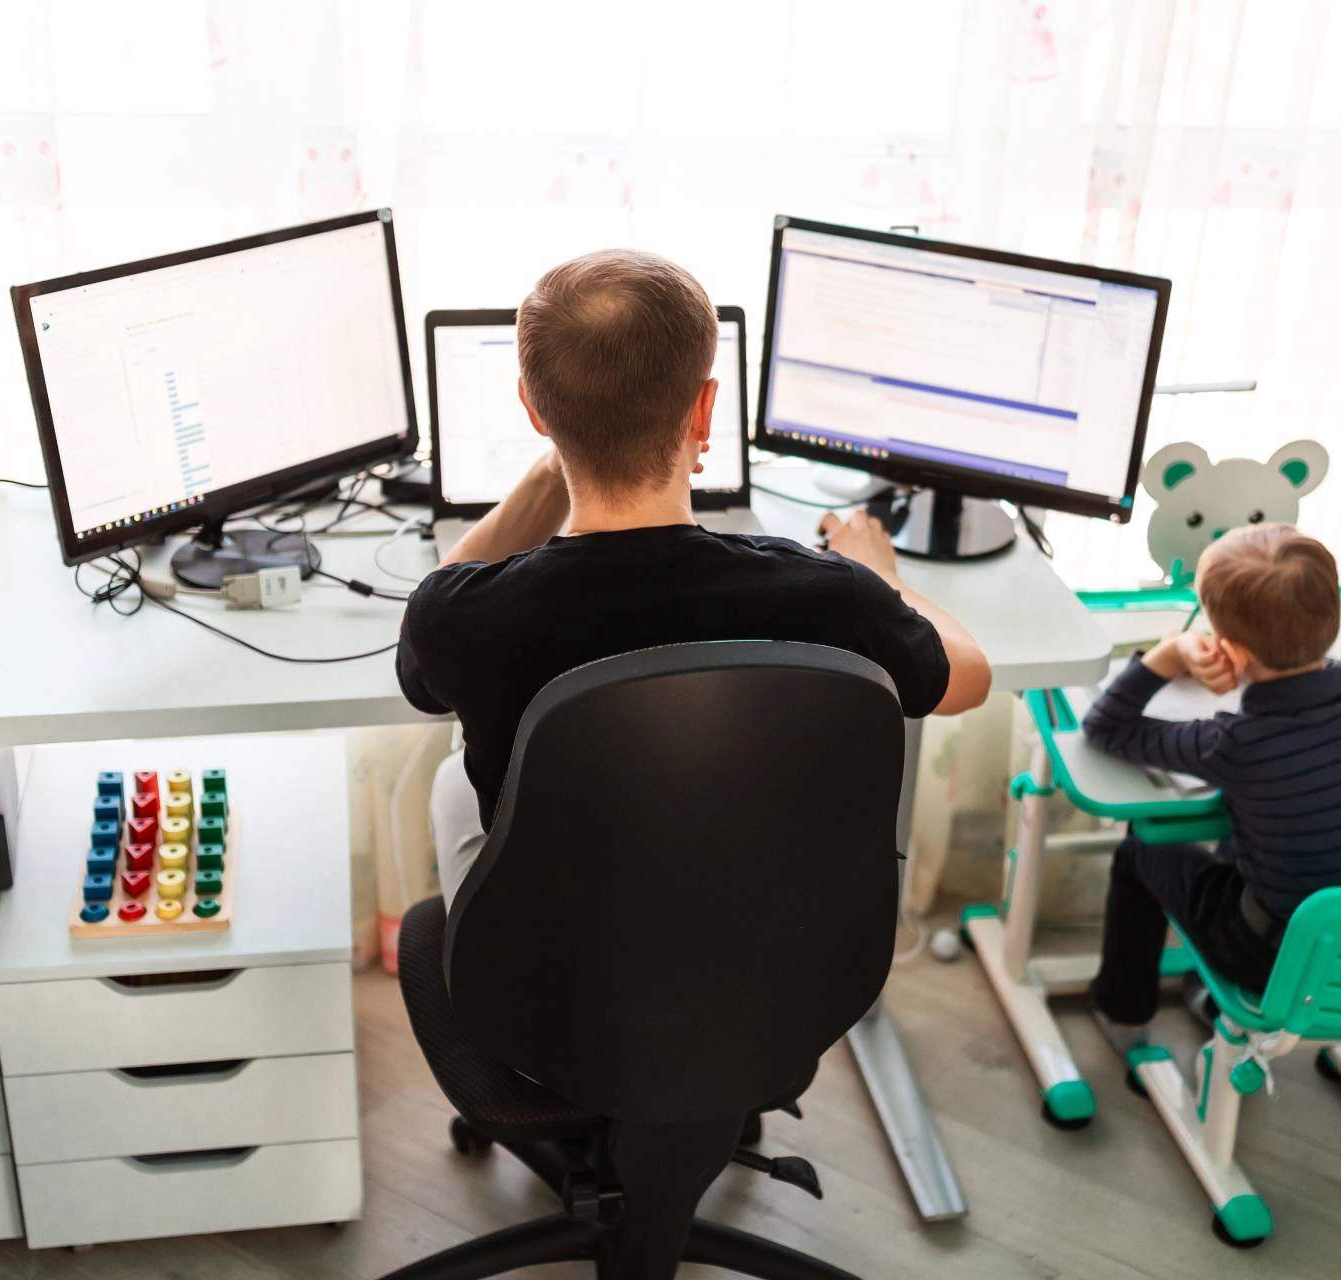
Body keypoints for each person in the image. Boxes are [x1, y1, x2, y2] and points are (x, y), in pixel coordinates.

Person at [397, 249, 992, 902]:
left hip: (558, 966)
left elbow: (423, 670)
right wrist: (882, 575)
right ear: (705, 410)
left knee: (455, 781)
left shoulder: (462, 616)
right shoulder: (834, 598)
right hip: (763, 938)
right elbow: (969, 676)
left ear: (533, 411)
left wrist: (557, 461)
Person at [1080, 524, 1341, 1047]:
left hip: (1275, 962)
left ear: (1231, 651)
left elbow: (1106, 728)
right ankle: (1200, 990)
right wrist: (1268, 659)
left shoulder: (1235, 744)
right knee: (1250, 831)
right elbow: (1336, 672)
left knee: (1142, 848)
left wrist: (1168, 654)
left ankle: (1123, 1009)